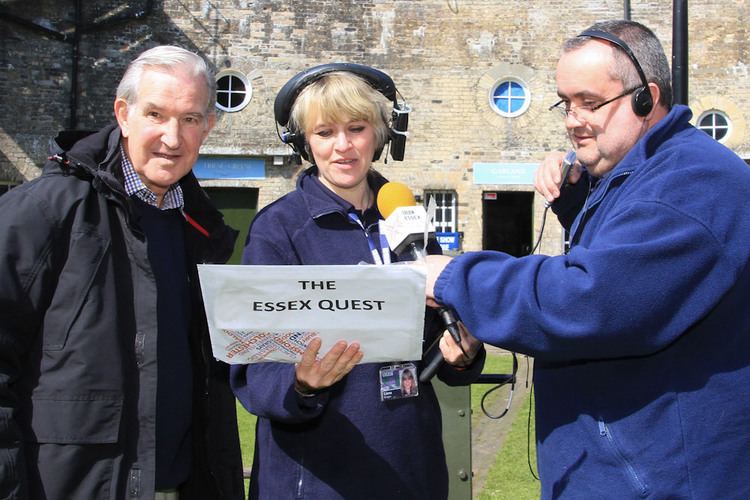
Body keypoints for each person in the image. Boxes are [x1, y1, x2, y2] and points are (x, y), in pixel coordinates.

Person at [425, 19, 750, 499]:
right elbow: (637, 270)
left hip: (663, 480)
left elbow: (589, 301)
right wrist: (581, 202)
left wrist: (455, 277)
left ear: (647, 98)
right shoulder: (645, 175)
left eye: (590, 102)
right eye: (566, 103)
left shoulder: (690, 183)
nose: (572, 119)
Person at [230, 63, 485, 500]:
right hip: (320, 476)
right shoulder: (278, 230)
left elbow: (436, 339)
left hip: (411, 467)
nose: (343, 147)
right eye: (325, 132)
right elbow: (254, 369)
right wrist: (300, 383)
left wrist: (462, 353)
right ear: (304, 143)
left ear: (381, 134)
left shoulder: (408, 217)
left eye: (356, 128)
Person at [0, 46, 244, 499]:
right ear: (123, 114)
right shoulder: (43, 211)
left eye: (190, 119)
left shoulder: (200, 229)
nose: (172, 137)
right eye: (156, 114)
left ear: (208, 126)